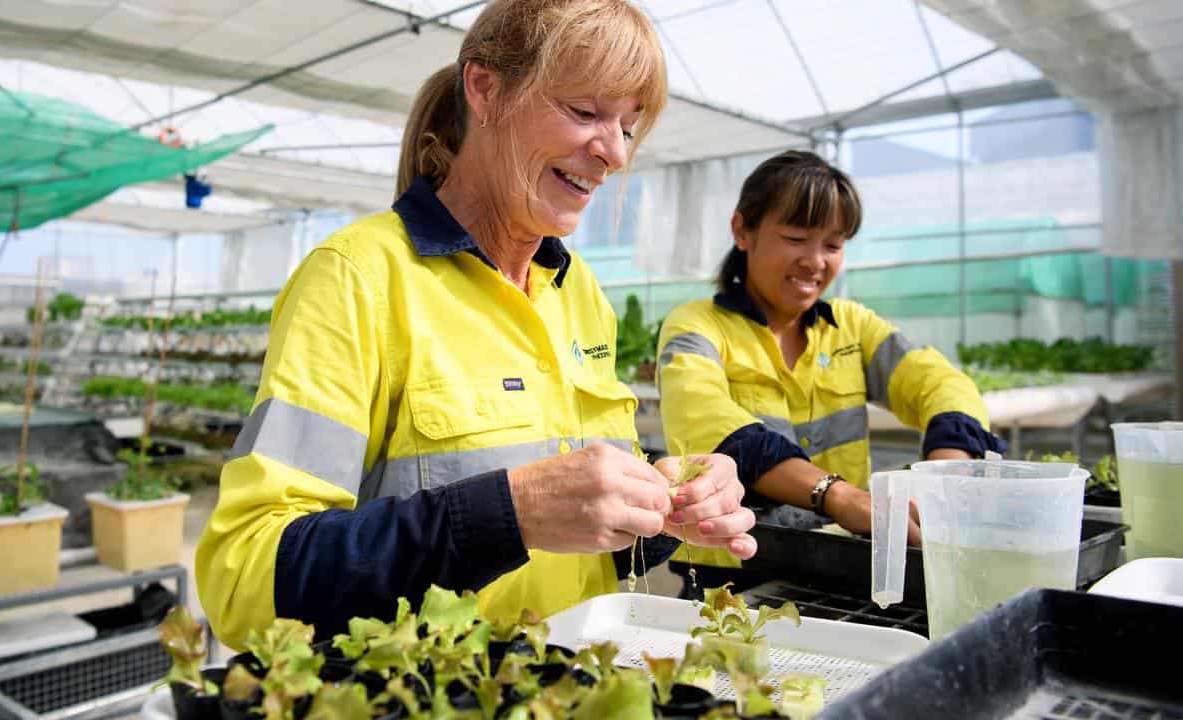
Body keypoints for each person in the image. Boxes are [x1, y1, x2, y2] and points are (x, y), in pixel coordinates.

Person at [195, 0, 757, 649]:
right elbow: (244, 581)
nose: (614, 153)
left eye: (628, 127)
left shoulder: (577, 292)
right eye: (585, 112)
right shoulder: (359, 277)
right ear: (486, 89)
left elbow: (587, 547)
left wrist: (666, 507)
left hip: (571, 680)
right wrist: (506, 514)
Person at [656, 150, 1004, 590]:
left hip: (840, 565)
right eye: (797, 238)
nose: (815, 261)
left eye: (833, 245)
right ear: (743, 231)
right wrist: (836, 495)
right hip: (732, 577)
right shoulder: (696, 327)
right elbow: (709, 425)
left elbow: (941, 383)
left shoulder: (851, 327)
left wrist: (945, 476)